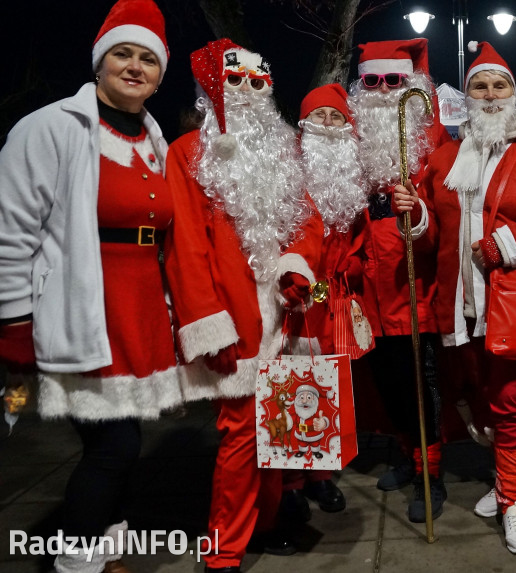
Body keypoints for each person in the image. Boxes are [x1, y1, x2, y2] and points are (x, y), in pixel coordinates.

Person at [0, 1, 177, 571]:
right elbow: (12, 231)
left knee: (125, 448)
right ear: (99, 62)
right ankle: (74, 563)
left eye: (147, 59)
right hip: (82, 312)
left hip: (138, 312)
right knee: (114, 447)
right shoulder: (49, 128)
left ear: (159, 74)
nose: (135, 67)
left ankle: (109, 551)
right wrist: (13, 321)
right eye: (122, 54)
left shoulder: (156, 142)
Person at [393, 41, 516, 554]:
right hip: (459, 303)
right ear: (468, 96)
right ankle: (504, 481)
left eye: (500, 85)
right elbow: (432, 241)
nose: (491, 94)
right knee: (478, 402)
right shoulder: (447, 156)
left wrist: (502, 246)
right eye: (480, 85)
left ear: (515, 95)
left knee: (513, 403)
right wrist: (418, 215)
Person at [163, 38, 323, 573]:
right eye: (238, 83)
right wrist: (209, 325)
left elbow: (308, 222)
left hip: (284, 312)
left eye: (259, 84)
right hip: (230, 315)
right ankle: (224, 549)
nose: (250, 93)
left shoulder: (286, 149)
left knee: (277, 421)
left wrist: (298, 266)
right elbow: (185, 244)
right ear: (214, 92)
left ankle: (266, 522)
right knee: (240, 431)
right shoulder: (189, 152)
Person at [347, 39, 449, 522]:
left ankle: (431, 472)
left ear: (410, 85)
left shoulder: (433, 140)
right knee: (388, 380)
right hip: (370, 290)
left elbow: (447, 214)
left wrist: (421, 213)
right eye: (373, 81)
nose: (384, 90)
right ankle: (410, 456)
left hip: (415, 286)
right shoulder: (351, 142)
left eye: (393, 80)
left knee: (421, 381)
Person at [278, 83, 367, 523]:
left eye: (338, 118)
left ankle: (322, 474)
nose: (330, 126)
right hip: (297, 295)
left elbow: (362, 239)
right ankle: (292, 481)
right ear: (305, 124)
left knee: (329, 386)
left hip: (333, 295)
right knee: (294, 384)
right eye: (321, 118)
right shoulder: (286, 171)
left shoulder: (352, 176)